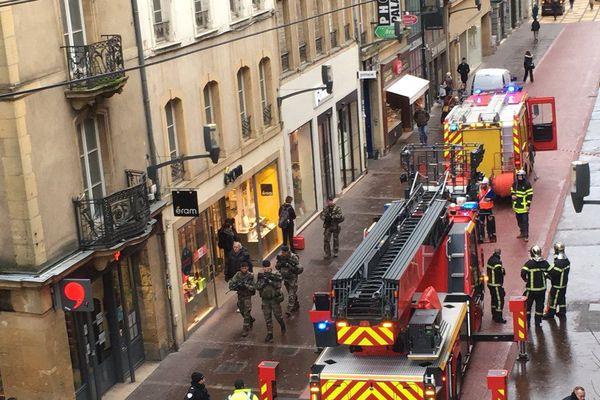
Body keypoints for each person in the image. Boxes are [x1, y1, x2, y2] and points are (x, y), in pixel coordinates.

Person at [257, 260, 286, 342]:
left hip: (274, 299)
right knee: (267, 317)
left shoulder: (276, 274)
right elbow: (257, 287)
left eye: (267, 267)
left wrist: (270, 281)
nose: (266, 269)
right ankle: (270, 333)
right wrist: (263, 282)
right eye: (264, 268)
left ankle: (282, 324)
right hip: (265, 300)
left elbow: (278, 285)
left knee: (278, 316)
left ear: (270, 267)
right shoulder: (261, 276)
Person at [521, 245, 550, 327]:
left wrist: (526, 280)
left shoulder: (529, 263)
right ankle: (538, 323)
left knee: (528, 306)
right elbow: (552, 271)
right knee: (539, 306)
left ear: (532, 253)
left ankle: (527, 322)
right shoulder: (544, 263)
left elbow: (523, 273)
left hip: (531, 290)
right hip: (541, 290)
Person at [543, 242, 571, 319]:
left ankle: (551, 313)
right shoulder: (566, 260)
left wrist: (547, 274)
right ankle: (562, 311)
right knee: (562, 297)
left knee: (554, 298)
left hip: (558, 285)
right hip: (563, 284)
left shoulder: (559, 262)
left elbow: (554, 274)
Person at [228, 262, 256, 337]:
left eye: (245, 268)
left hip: (247, 296)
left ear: (248, 268)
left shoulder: (251, 276)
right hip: (240, 295)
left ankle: (245, 328)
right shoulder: (238, 275)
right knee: (242, 310)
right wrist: (236, 286)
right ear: (240, 268)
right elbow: (231, 282)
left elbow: (254, 287)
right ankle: (250, 319)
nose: (244, 269)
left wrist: (246, 285)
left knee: (247, 311)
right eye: (242, 268)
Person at [275, 246, 303, 316]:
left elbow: (297, 268)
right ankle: (296, 304)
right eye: (282, 252)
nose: (282, 253)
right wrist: (280, 264)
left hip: (292, 277)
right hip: (285, 277)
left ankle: (289, 309)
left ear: (287, 252)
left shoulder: (294, 257)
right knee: (291, 292)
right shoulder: (280, 257)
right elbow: (277, 266)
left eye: (283, 252)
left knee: (291, 293)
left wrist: (288, 265)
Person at [511, 169, 533, 242]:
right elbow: (512, 192)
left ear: (524, 176)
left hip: (524, 207)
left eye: (521, 176)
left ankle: (526, 235)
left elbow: (530, 195)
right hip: (517, 206)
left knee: (525, 221)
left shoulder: (527, 184)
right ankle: (522, 232)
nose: (520, 177)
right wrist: (513, 196)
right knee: (519, 221)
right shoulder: (515, 184)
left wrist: (528, 205)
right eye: (518, 176)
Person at [487, 249, 506, 323]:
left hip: (490, 284)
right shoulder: (497, 262)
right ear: (499, 253)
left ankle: (494, 315)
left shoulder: (490, 259)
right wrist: (503, 271)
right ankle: (498, 318)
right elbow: (499, 272)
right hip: (496, 284)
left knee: (494, 300)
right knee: (499, 300)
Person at [477, 177, 497, 243]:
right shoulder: (478, 190)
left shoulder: (489, 190)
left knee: (490, 222)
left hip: (489, 208)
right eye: (482, 184)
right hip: (481, 209)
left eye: (484, 184)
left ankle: (490, 234)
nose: (482, 185)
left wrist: (490, 199)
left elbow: (494, 196)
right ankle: (481, 235)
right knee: (481, 222)